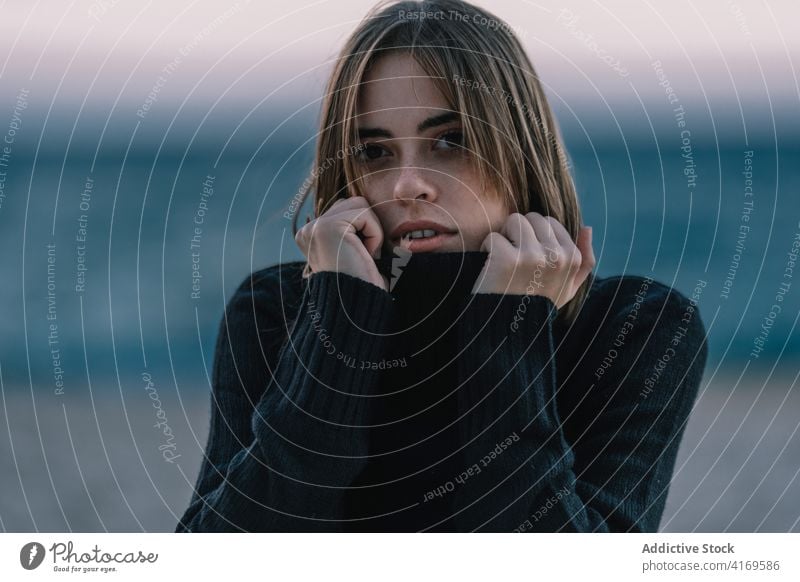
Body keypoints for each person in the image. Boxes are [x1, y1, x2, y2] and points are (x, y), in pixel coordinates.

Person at [175, 0, 708, 532]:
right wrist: (338, 329)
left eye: (451, 141)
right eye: (375, 152)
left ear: (519, 148)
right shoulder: (277, 311)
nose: (409, 184)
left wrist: (510, 328)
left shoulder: (635, 326)